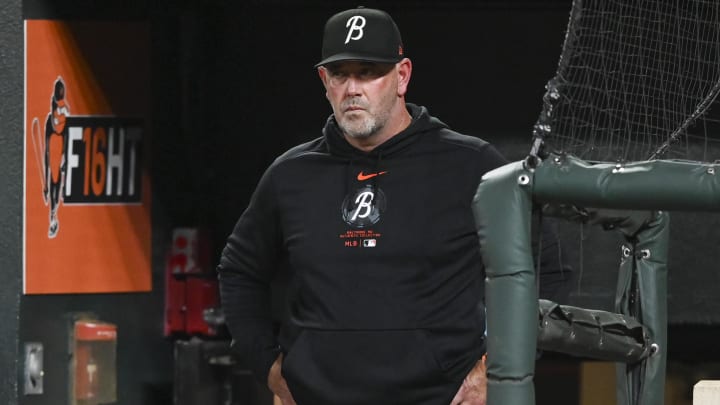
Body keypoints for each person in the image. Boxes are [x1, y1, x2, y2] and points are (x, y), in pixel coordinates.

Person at [217, 7, 570, 405]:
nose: (353, 88)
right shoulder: (290, 174)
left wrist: (497, 369)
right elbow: (239, 271)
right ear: (324, 81)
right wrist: (268, 365)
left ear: (401, 76)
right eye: (340, 74)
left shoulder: (471, 165)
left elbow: (547, 271)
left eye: (368, 72)